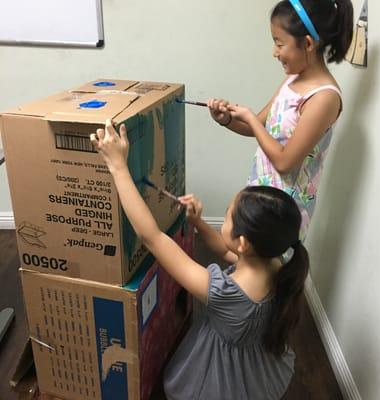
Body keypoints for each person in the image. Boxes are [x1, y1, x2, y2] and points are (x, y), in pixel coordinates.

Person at [90, 120, 310, 400]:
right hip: (258, 369)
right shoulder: (278, 263)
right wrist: (198, 223)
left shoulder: (224, 293)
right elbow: (225, 249)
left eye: (229, 214)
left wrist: (118, 166)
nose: (226, 216)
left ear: (243, 243)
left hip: (219, 382)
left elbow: (152, 237)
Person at [208, 0, 354, 240]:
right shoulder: (292, 81)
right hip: (261, 194)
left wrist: (250, 120)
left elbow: (285, 162)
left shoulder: (324, 97)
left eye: (279, 43)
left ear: (307, 43)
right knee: (250, 263)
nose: (274, 52)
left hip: (284, 210)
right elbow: (257, 125)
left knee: (270, 271)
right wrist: (226, 119)